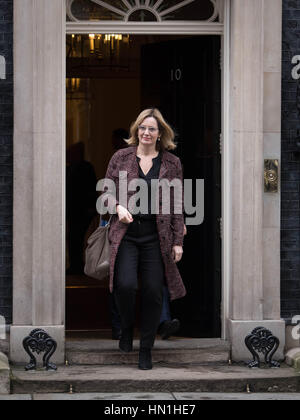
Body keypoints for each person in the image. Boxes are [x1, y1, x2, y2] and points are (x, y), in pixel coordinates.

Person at [100, 108, 186, 370]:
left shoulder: (172, 163)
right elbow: (105, 192)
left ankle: (145, 348)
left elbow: (177, 202)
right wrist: (117, 208)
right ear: (136, 131)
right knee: (124, 285)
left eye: (152, 129)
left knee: (152, 292)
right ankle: (126, 328)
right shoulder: (121, 157)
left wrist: (178, 241)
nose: (146, 133)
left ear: (161, 134)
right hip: (126, 234)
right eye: (142, 128)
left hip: (156, 237)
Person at [66, 142, 98, 275]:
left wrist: (91, 207)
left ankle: (77, 266)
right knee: (73, 238)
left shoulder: (85, 168)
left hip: (82, 210)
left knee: (77, 238)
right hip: (73, 210)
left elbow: (91, 188)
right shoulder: (69, 168)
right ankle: (76, 265)